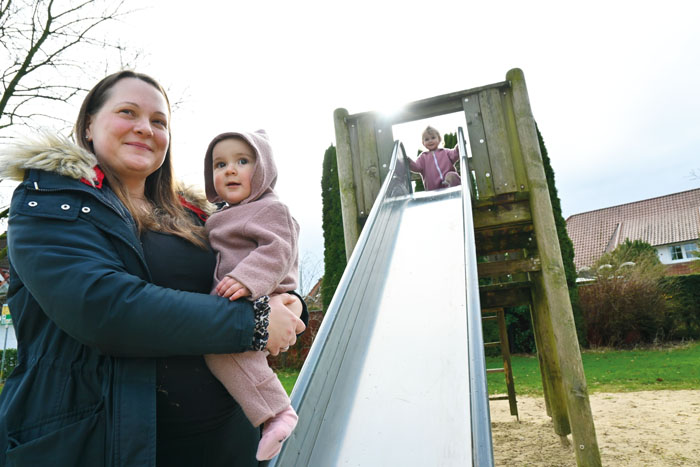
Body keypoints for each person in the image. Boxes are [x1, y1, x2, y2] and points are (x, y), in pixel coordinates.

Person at [0, 70, 306, 467]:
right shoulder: (49, 204)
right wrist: (255, 324)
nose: (145, 128)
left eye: (159, 121)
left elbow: (251, 264)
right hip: (103, 442)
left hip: (226, 439)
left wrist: (288, 300)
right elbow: (103, 308)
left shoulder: (196, 215)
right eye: (128, 112)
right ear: (89, 125)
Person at [202, 130, 300, 461]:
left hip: (264, 291)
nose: (229, 170)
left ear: (263, 171)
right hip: (238, 298)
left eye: (242, 161)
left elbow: (279, 249)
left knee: (226, 354)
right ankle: (270, 415)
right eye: (220, 164)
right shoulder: (220, 215)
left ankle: (278, 413)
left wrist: (247, 278)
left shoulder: (270, 208)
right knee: (225, 356)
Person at [408, 125, 461, 191]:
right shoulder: (423, 157)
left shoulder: (445, 152)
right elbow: (417, 167)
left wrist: (459, 147)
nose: (430, 141)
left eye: (433, 138)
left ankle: (457, 190)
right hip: (433, 189)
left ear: (439, 139)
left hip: (449, 185)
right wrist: (408, 161)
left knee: (452, 175)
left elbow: (455, 154)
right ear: (423, 143)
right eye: (426, 139)